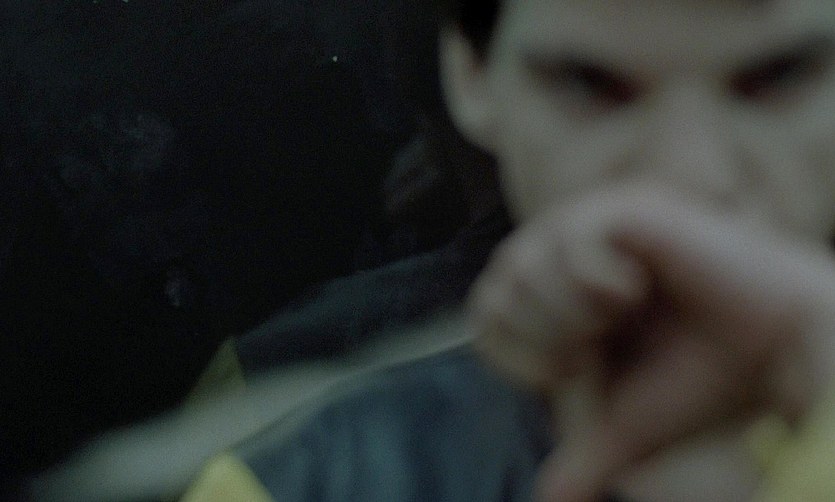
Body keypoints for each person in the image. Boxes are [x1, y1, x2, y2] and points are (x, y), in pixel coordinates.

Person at [182, 0, 835, 500]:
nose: (688, 178)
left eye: (781, 77)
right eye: (587, 86)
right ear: (470, 75)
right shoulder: (294, 480)